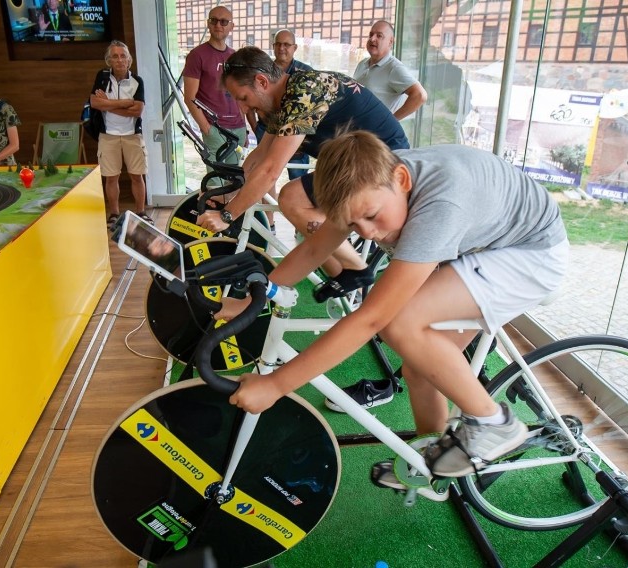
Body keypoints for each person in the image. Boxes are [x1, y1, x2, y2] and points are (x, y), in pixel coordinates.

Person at [219, 130, 569, 490]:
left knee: (401, 323)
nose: (367, 234)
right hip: (488, 242)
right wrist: (253, 301)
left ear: (401, 179)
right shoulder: (365, 183)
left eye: (371, 216)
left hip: (530, 254)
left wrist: (277, 385)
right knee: (418, 363)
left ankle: (494, 424)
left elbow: (373, 318)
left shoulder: (439, 208)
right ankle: (432, 455)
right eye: (354, 225)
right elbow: (312, 251)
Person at [197, 46, 408, 281]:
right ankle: (343, 279)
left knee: (292, 197)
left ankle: (354, 270)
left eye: (243, 98)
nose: (243, 109)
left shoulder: (303, 92)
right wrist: (232, 193)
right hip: (354, 162)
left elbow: (270, 170)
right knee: (294, 200)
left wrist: (228, 215)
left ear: (262, 81)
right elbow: (261, 156)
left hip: (385, 160)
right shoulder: (281, 101)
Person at [90, 40, 150, 227]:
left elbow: (137, 110)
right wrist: (124, 103)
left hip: (133, 135)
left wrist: (109, 104)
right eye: (115, 56)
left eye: (123, 55)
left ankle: (141, 212)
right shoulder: (102, 76)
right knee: (111, 177)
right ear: (109, 60)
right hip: (108, 135)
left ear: (129, 59)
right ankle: (114, 214)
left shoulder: (137, 80)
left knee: (137, 175)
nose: (119, 60)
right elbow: (95, 103)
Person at [182, 5, 247, 168]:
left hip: (237, 128)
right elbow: (189, 97)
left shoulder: (234, 56)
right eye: (214, 21)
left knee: (234, 181)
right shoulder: (197, 55)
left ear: (232, 26)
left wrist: (244, 128)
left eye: (224, 22)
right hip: (215, 128)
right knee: (215, 182)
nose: (218, 25)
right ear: (208, 23)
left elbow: (240, 95)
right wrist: (206, 128)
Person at [246, 29, 313, 181]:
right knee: (263, 172)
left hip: (295, 131)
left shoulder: (305, 73)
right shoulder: (261, 70)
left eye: (286, 44)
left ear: (294, 48)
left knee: (297, 173)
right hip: (265, 128)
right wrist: (256, 128)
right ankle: (266, 204)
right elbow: (249, 102)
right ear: (273, 46)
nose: (282, 48)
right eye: (278, 44)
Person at [353, 21, 427, 121]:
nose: (372, 39)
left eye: (379, 36)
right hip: (357, 130)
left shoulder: (394, 67)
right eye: (371, 34)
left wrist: (390, 122)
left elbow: (420, 96)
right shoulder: (362, 64)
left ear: (390, 42)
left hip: (376, 135)